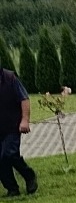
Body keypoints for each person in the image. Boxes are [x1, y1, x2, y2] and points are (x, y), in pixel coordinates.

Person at [0, 63, 37, 196]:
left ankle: (29, 176)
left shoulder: (10, 78)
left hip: (12, 125)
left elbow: (24, 99)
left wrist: (25, 120)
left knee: (8, 154)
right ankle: (12, 188)